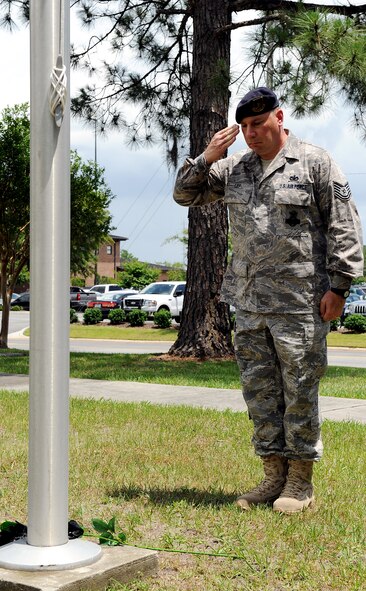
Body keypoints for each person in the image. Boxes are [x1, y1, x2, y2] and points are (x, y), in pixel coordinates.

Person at [173, 87, 364, 514]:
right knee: (259, 393)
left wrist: (340, 287)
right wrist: (206, 156)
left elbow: (345, 227)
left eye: (258, 124)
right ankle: (272, 476)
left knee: (299, 392)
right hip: (250, 302)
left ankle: (299, 483)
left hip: (301, 303)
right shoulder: (234, 168)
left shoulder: (315, 162)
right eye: (243, 127)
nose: (251, 134)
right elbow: (185, 194)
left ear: (279, 117)